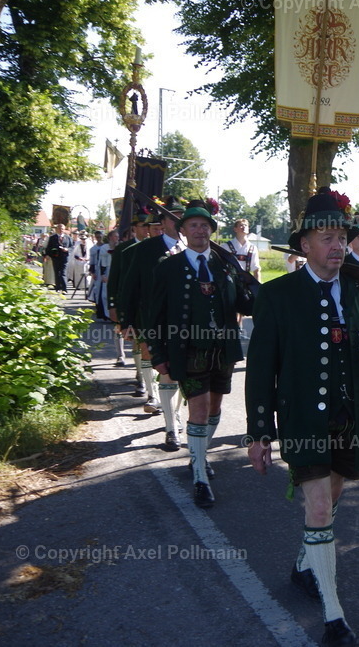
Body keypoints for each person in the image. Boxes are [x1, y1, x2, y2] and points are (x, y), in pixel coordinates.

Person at [245, 188, 359, 647]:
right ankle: (334, 615)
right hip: (302, 419)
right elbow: (262, 367)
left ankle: (305, 565)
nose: (338, 245)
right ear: (305, 245)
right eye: (327, 237)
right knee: (318, 507)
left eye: (342, 237)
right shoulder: (277, 296)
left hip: (353, 418)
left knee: (333, 498)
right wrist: (260, 430)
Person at [148, 200, 254, 508]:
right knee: (198, 409)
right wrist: (157, 353)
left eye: (204, 225)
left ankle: (200, 454)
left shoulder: (226, 266)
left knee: (215, 408)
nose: (199, 230)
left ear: (211, 231)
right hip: (188, 349)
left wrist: (270, 298)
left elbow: (242, 305)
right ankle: (199, 477)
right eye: (193, 225)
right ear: (183, 231)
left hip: (223, 348)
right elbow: (154, 314)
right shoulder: (168, 267)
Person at [119, 205, 186, 440]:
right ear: (163, 222)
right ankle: (171, 428)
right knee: (166, 372)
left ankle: (175, 415)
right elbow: (130, 286)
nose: (179, 221)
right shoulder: (146, 250)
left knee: (183, 374)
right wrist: (127, 321)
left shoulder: (195, 249)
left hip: (188, 324)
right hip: (154, 322)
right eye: (174, 218)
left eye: (182, 217)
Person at [108, 215, 150, 374]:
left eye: (149, 226)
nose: (146, 229)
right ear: (134, 228)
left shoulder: (157, 248)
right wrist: (113, 305)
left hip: (149, 303)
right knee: (138, 341)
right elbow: (114, 280)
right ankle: (141, 378)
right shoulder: (123, 249)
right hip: (131, 303)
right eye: (143, 225)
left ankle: (145, 379)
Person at [45, 223, 72, 291]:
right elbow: (49, 247)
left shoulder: (68, 237)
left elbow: (72, 247)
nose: (61, 230)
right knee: (57, 272)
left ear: (64, 229)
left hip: (64, 257)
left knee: (63, 272)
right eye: (59, 229)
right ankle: (57, 288)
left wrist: (67, 249)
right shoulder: (52, 238)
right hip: (55, 257)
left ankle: (64, 289)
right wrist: (48, 255)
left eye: (62, 229)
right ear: (56, 229)